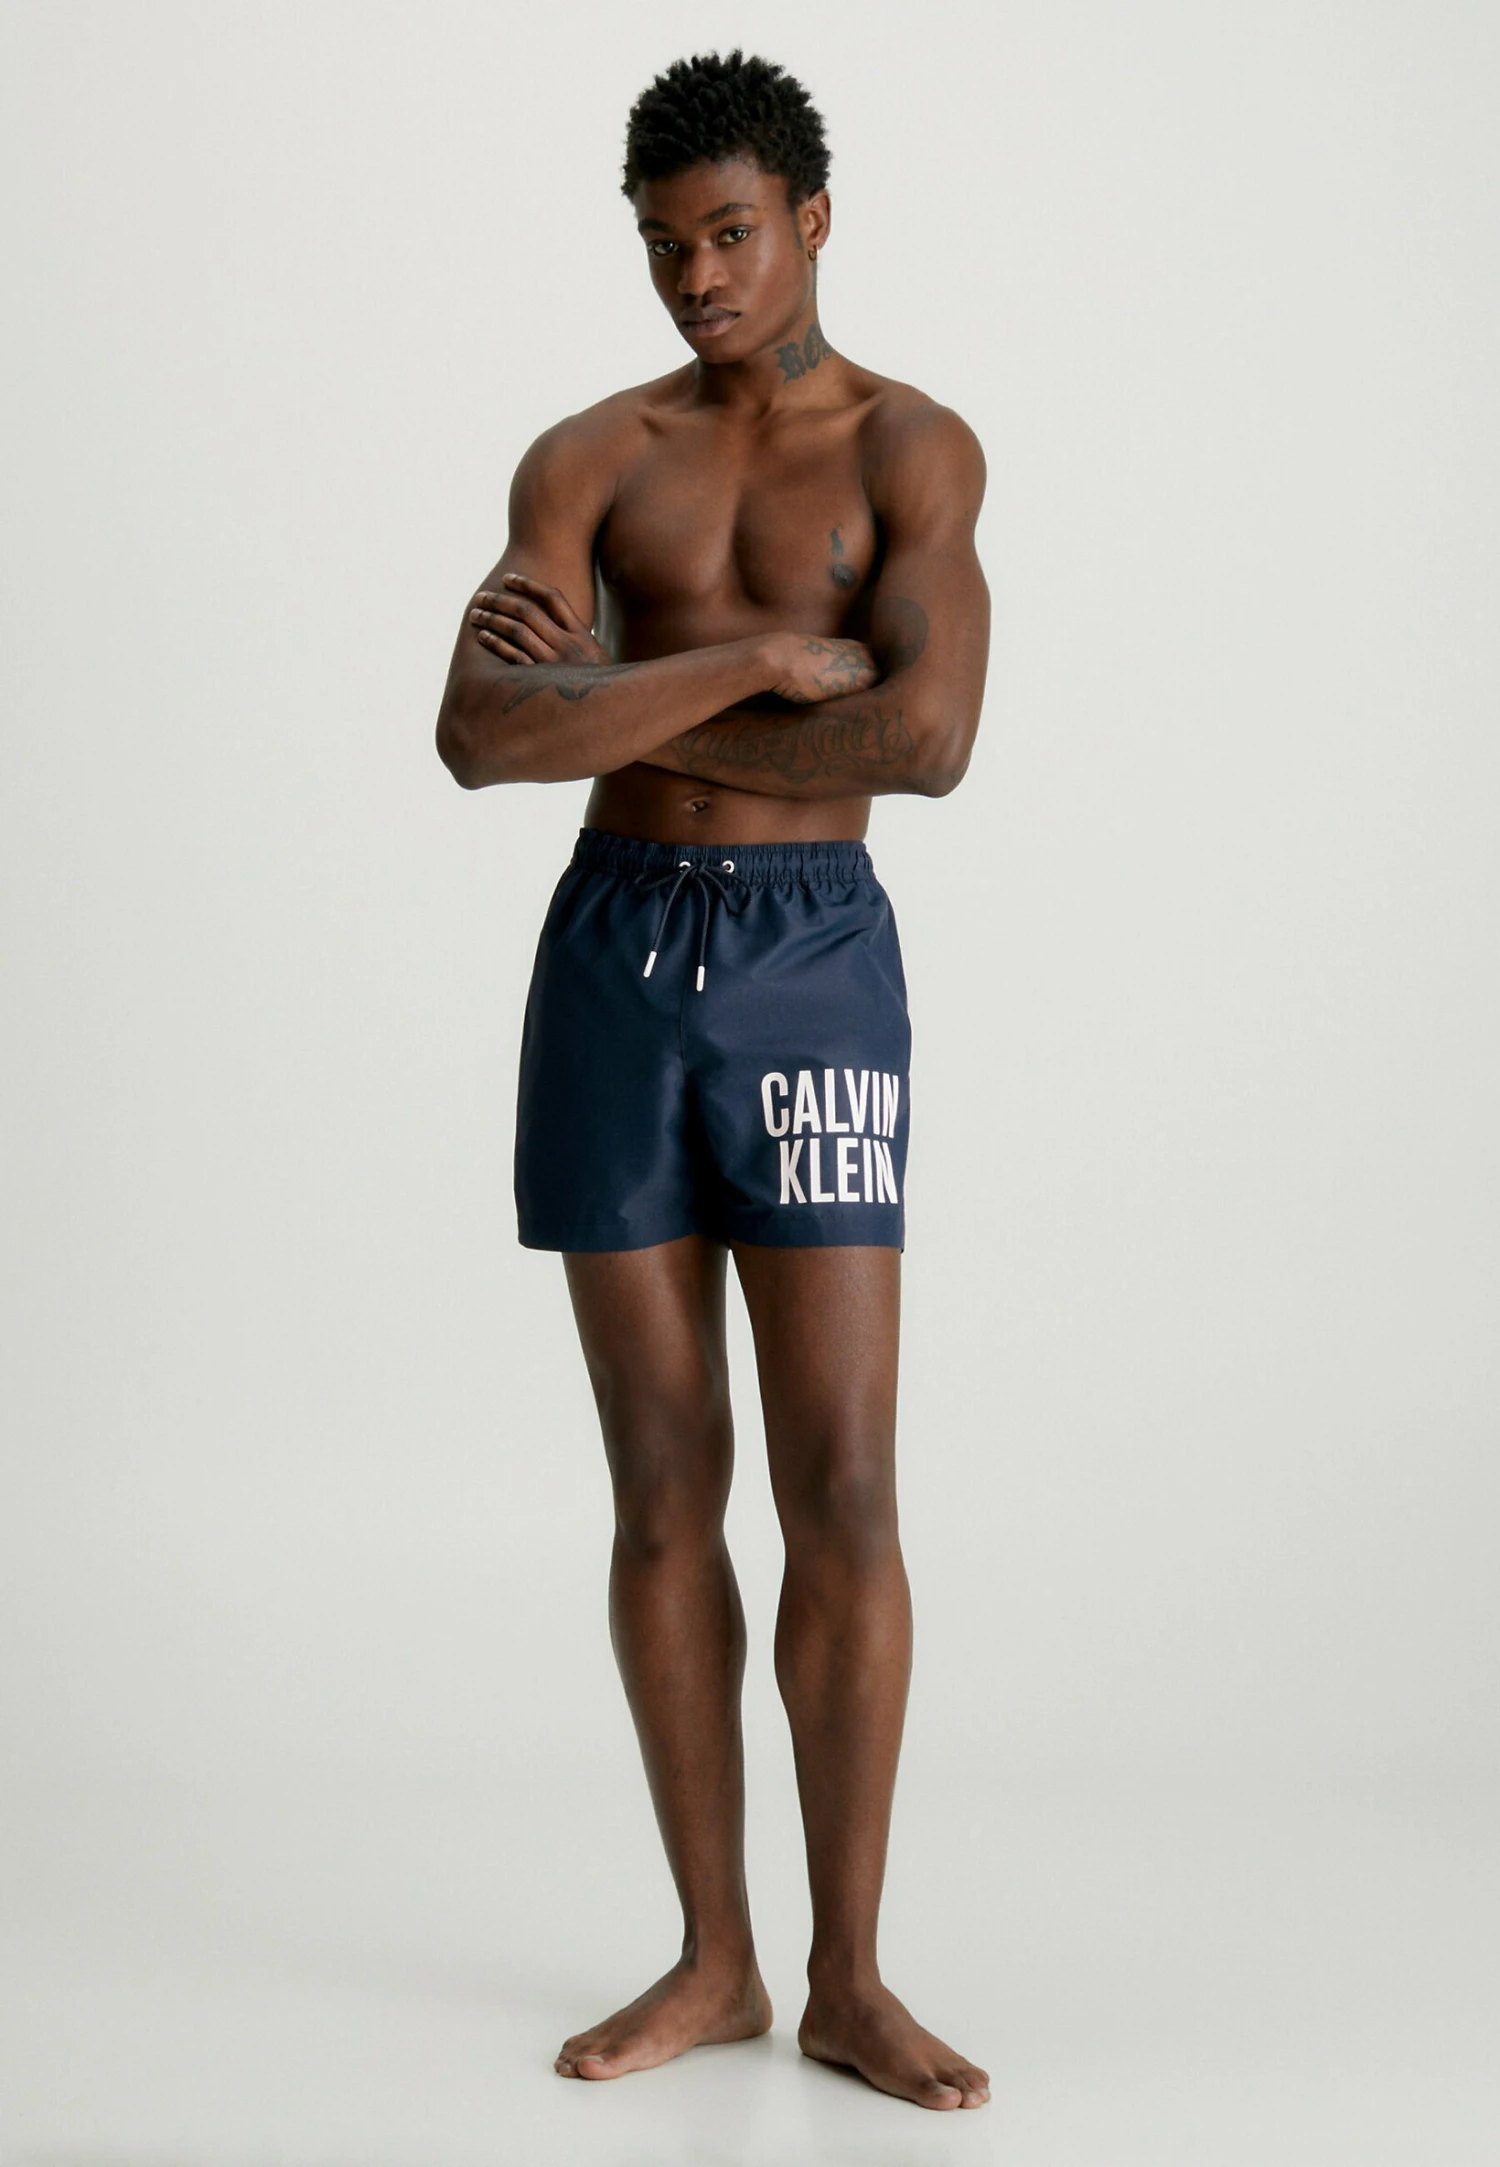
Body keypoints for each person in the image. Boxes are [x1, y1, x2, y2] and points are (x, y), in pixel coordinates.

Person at [434, 49, 991, 2114]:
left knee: (842, 1484)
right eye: (666, 244)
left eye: (733, 234)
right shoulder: (590, 456)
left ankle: (850, 1975)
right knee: (663, 1483)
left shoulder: (912, 448)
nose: (698, 277)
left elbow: (926, 744)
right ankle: (716, 1958)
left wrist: (603, 703)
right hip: (611, 956)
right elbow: (478, 736)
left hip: (814, 965)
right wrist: (753, 663)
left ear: (813, 219)